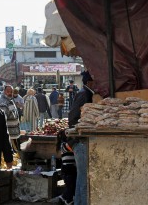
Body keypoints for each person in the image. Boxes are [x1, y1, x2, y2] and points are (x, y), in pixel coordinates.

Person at [67, 72, 94, 205]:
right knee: (84, 181)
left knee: (81, 179)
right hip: (80, 141)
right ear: (89, 82)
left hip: (78, 141)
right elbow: (73, 117)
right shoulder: (85, 94)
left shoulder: (86, 93)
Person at [56, 129, 76, 205]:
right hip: (68, 169)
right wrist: (76, 139)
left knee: (70, 186)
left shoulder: (63, 144)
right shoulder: (64, 145)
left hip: (70, 168)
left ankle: (64, 199)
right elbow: (72, 148)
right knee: (70, 186)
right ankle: (67, 201)